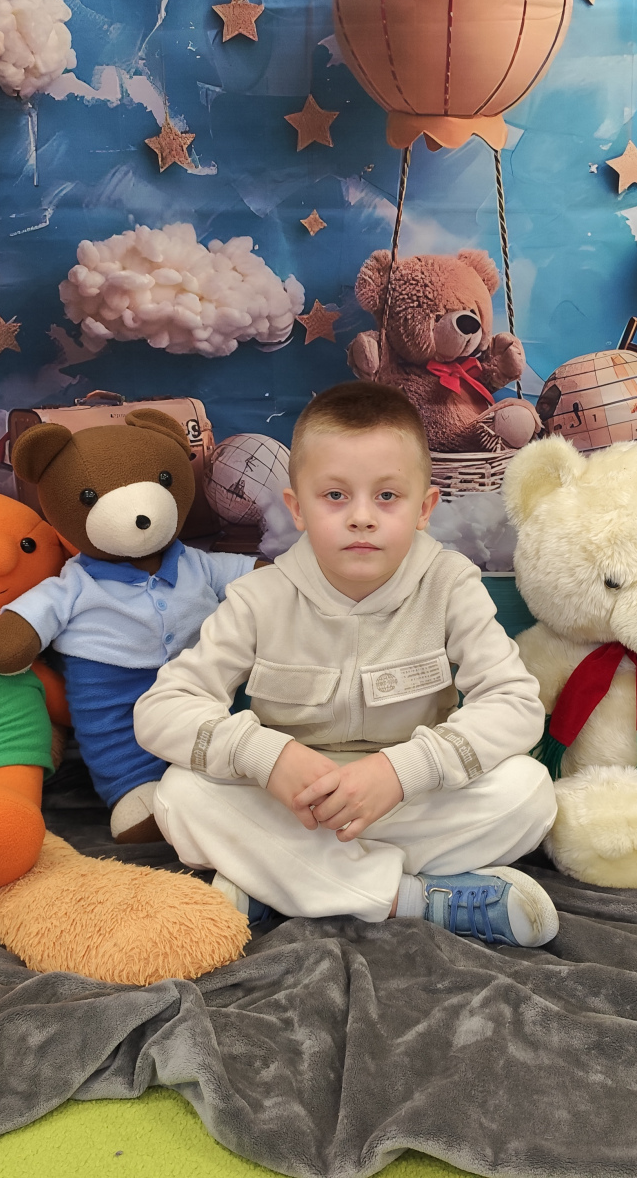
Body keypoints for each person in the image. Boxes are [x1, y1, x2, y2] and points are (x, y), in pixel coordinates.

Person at [133, 382, 559, 947]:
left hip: (406, 797)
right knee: (181, 795)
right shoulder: (259, 598)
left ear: (424, 508)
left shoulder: (451, 585)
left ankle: (276, 880)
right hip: (297, 804)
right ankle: (415, 900)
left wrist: (404, 772)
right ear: (297, 508)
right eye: (335, 495)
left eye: (387, 496)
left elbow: (515, 705)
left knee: (529, 792)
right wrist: (265, 756)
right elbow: (161, 709)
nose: (361, 517)